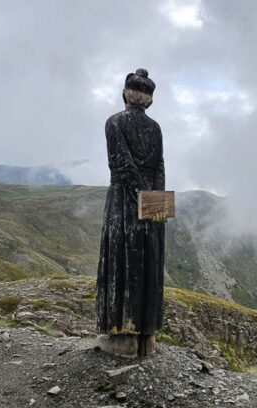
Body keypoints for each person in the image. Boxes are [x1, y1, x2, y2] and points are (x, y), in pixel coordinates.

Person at [95, 68, 167, 358]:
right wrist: (154, 200)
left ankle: (122, 336)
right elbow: (160, 167)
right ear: (149, 100)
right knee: (148, 263)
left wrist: (138, 195)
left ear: (126, 94)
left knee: (121, 260)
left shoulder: (114, 122)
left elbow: (121, 165)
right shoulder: (156, 128)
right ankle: (146, 338)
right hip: (152, 202)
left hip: (123, 201)